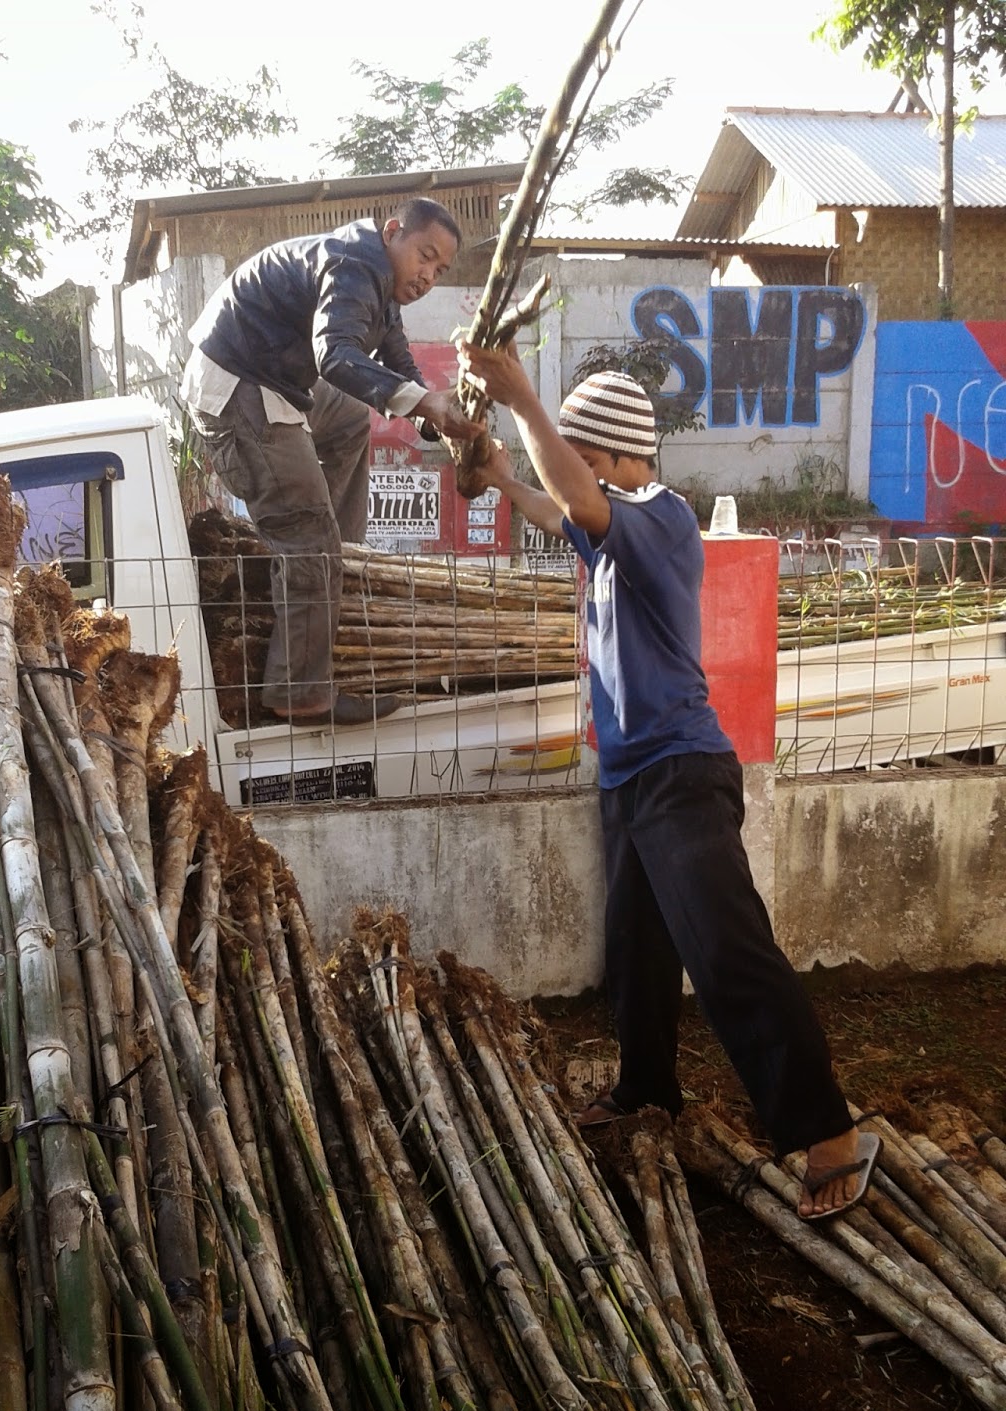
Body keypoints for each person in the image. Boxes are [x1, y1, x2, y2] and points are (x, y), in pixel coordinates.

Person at [456, 346, 879, 1222]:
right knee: (638, 955)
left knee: (727, 951)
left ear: (609, 456)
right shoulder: (611, 528)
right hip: (633, 776)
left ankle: (830, 1131)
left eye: (578, 451)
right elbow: (556, 509)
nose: (571, 472)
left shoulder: (661, 515)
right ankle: (648, 1090)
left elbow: (576, 499)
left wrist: (525, 401)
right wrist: (497, 471)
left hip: (684, 770)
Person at [181, 197, 483, 726]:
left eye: (440, 269)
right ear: (393, 232)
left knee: (345, 420)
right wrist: (425, 403)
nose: (429, 275)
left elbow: (397, 361)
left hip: (270, 374)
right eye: (425, 256)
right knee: (306, 534)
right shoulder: (352, 265)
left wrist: (435, 416)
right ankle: (300, 691)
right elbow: (336, 357)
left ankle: (336, 561)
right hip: (238, 387)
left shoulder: (380, 283)